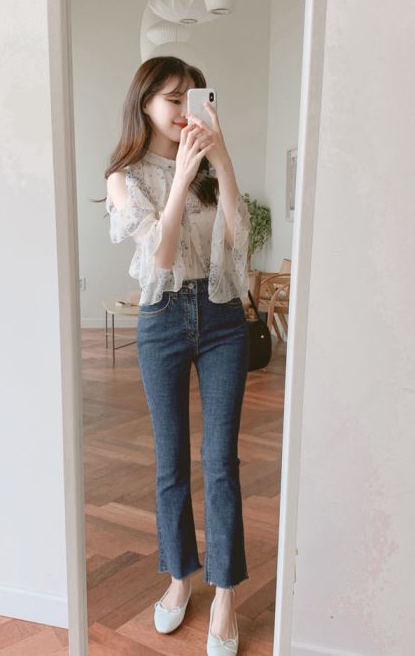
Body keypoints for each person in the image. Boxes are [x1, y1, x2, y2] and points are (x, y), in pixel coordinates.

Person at [103, 56, 250, 654]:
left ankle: (225, 595)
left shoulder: (212, 169)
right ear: (144, 104)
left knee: (221, 461)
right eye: (172, 98)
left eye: (193, 97)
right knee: (170, 463)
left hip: (221, 317)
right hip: (162, 320)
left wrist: (221, 159)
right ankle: (179, 578)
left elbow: (236, 241)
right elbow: (160, 259)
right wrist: (182, 177)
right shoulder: (125, 178)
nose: (185, 110)